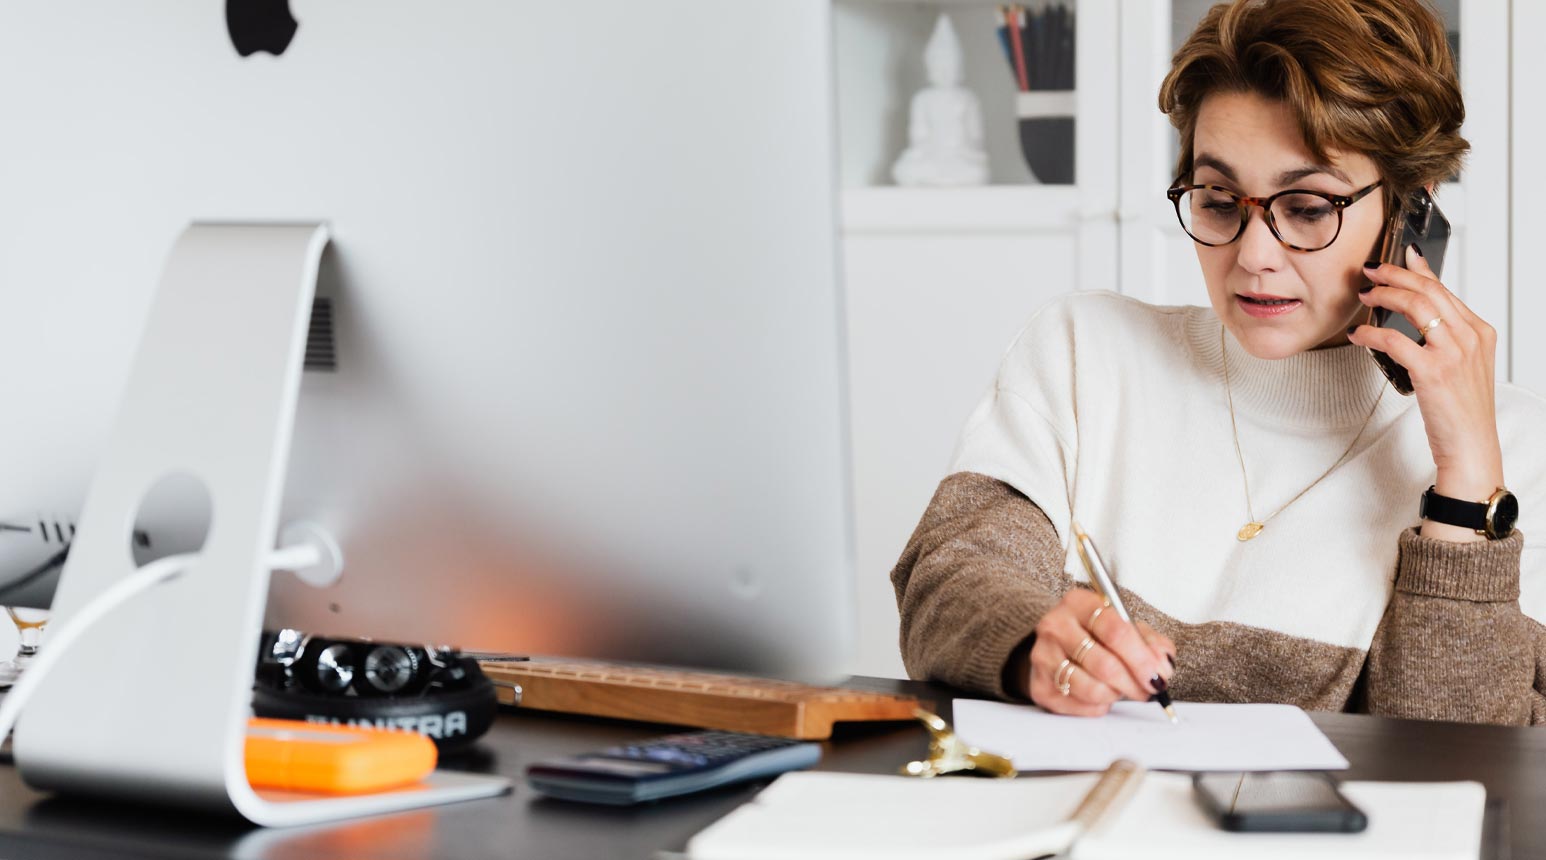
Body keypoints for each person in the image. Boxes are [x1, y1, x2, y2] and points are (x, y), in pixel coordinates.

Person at [891, 0, 1546, 726]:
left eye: (1306, 208)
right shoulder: (1087, 351)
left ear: (1410, 211)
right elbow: (947, 579)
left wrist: (1465, 496)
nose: (1253, 256)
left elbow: (1454, 758)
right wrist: (1030, 643)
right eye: (1219, 199)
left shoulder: (1509, 451)